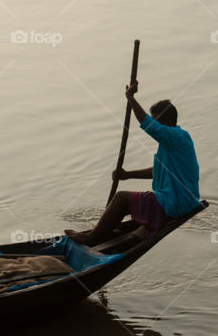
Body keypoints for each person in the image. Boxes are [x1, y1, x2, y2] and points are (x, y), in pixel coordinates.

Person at [65, 82, 200, 245]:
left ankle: (91, 238)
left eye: (155, 118)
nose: (152, 122)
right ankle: (106, 229)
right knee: (123, 201)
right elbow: (157, 171)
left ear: (162, 120)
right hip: (180, 200)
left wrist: (131, 99)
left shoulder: (177, 137)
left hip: (176, 203)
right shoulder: (173, 142)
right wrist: (127, 175)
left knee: (121, 199)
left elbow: (150, 126)